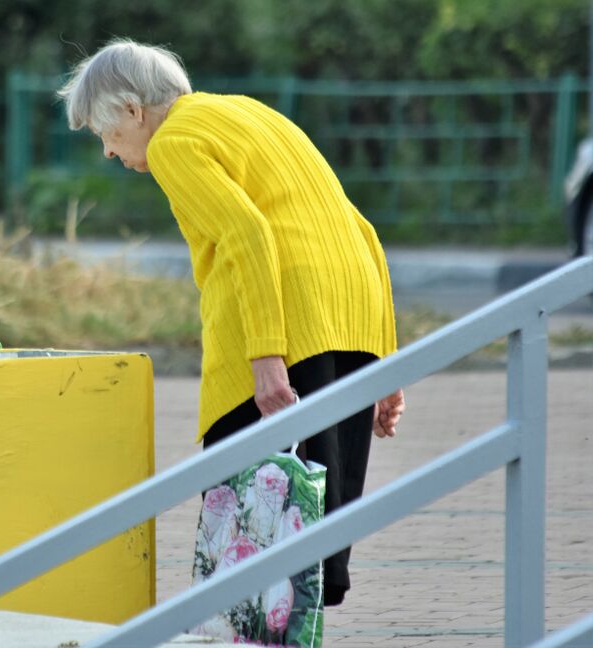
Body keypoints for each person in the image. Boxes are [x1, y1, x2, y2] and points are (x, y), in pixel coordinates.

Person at [57, 38, 406, 610]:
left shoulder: (173, 142)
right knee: (310, 537)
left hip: (286, 331)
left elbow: (247, 235)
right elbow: (359, 225)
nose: (108, 153)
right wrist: (386, 364)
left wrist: (267, 359)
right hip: (349, 318)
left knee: (246, 532)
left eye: (104, 134)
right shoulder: (251, 113)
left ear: (131, 111)